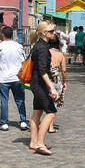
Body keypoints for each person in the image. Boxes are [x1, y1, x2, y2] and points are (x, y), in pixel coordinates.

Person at [27, 21, 59, 155]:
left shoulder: (39, 46)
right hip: (40, 83)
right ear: (44, 33)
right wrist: (52, 87)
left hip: (36, 83)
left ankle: (34, 141)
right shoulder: (42, 48)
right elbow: (42, 71)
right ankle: (40, 143)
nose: (54, 33)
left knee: (37, 112)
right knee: (51, 112)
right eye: (51, 31)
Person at [0, 25, 29, 132]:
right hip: (17, 77)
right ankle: (23, 121)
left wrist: (2, 65)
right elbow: (24, 61)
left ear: (2, 34)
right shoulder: (19, 46)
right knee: (20, 100)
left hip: (4, 78)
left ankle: (4, 123)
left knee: (4, 101)